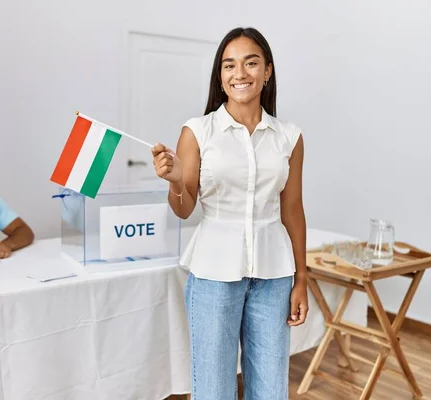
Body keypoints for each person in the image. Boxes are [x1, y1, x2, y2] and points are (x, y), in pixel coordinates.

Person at [151, 27, 308, 399]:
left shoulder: (289, 136)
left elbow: (293, 209)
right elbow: (184, 207)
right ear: (220, 78)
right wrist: (175, 179)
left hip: (274, 277)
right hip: (213, 276)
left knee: (271, 390)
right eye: (229, 65)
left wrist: (302, 278)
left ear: (267, 71)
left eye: (251, 63)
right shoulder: (198, 131)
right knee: (214, 389)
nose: (240, 73)